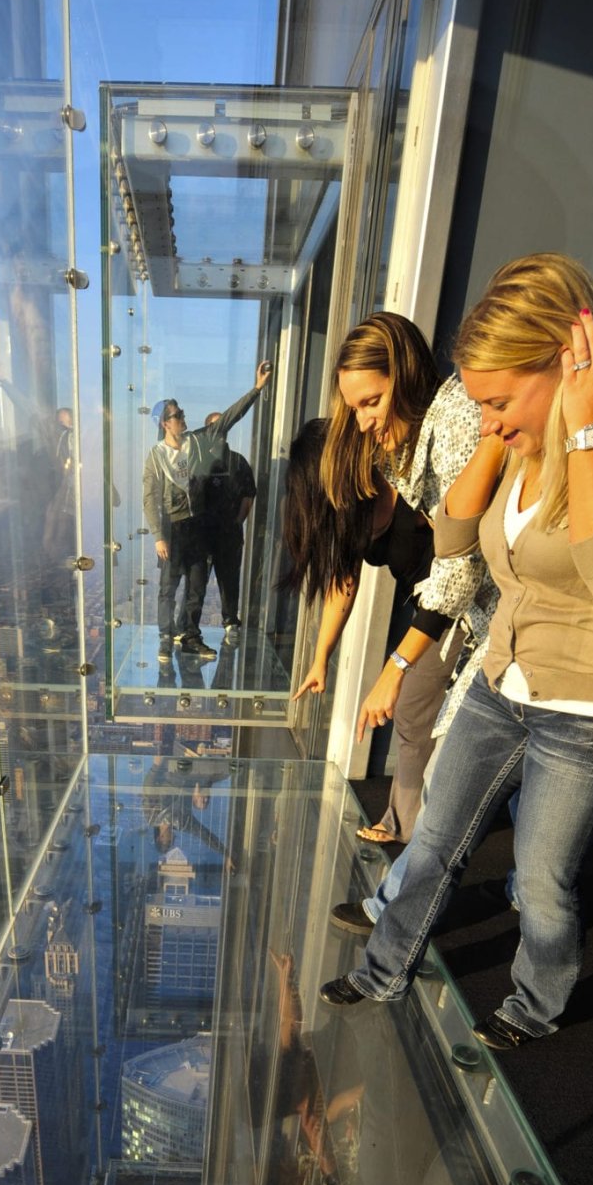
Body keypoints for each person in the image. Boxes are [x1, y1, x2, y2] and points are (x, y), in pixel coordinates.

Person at [321, 253, 593, 1047]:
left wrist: (590, 426)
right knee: (434, 836)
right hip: (508, 676)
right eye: (480, 401)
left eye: (501, 401)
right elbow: (455, 536)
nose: (492, 418)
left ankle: (535, 1005)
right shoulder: (517, 436)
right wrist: (505, 438)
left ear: (564, 363)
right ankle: (381, 969)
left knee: (540, 879)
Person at [287, 313, 483, 845]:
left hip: (458, 609)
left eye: (371, 402)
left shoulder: (442, 432)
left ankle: (416, 833)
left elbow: (460, 564)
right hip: (443, 606)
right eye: (355, 410)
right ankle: (408, 827)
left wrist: (395, 667)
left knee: (421, 718)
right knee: (417, 721)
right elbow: (342, 582)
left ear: (404, 372)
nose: (366, 422)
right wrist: (321, 658)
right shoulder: (397, 461)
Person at [143, 361, 272, 663]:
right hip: (173, 529)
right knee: (168, 586)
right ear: (165, 423)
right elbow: (149, 498)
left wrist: (257, 389)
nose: (183, 418)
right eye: (177, 415)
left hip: (197, 527)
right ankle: (165, 638)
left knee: (197, 587)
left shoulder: (197, 442)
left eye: (182, 413)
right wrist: (159, 536)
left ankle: (189, 636)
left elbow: (229, 417)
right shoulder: (156, 457)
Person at [203, 411, 257, 642]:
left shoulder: (238, 461)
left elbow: (248, 495)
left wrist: (237, 522)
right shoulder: (198, 460)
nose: (220, 431)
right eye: (215, 427)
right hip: (203, 535)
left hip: (229, 533)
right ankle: (187, 627)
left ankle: (230, 623)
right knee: (196, 581)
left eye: (223, 426)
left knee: (229, 579)